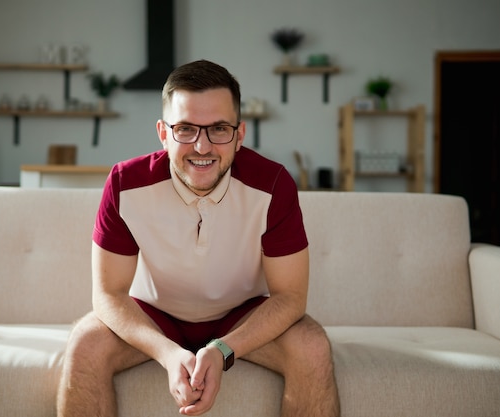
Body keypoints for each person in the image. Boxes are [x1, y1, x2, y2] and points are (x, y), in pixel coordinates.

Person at [57, 59, 340, 417]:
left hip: (240, 318)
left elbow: (290, 297)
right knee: (86, 343)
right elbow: (109, 295)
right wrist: (167, 352)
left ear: (240, 134)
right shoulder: (124, 184)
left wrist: (222, 350)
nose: (202, 147)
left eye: (219, 129)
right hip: (154, 316)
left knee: (312, 345)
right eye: (186, 129)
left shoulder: (274, 185)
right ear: (163, 132)